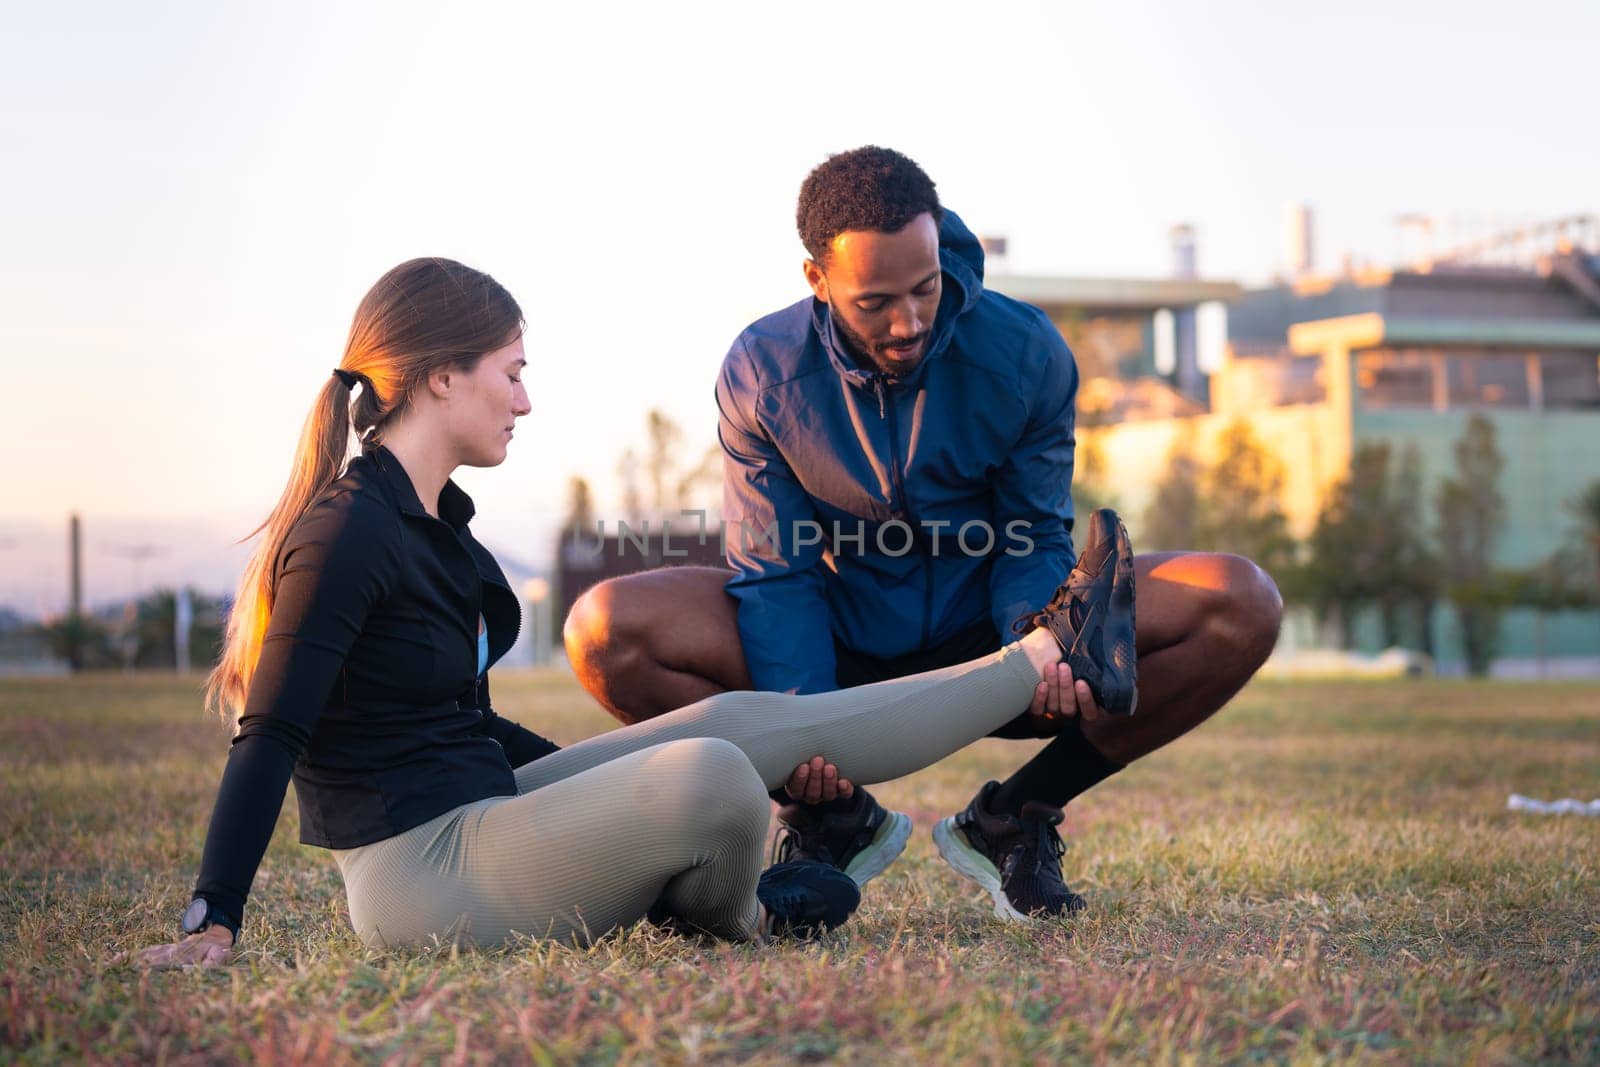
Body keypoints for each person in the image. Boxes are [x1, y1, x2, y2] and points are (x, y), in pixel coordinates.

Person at [131, 256, 1136, 968]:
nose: (524, 400)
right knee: (708, 773)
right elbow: (270, 731)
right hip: (418, 875)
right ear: (442, 375)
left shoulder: (436, 527)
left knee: (733, 723)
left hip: (486, 809)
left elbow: (460, 726)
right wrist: (211, 915)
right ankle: (738, 912)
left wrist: (615, 772)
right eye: (511, 371)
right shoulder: (347, 532)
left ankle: (1052, 648)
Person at [563, 146, 1284, 920]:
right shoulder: (761, 372)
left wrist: (1037, 647)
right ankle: (831, 819)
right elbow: (776, 569)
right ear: (819, 281)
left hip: (990, 634)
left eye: (926, 287)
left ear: (940, 248)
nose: (907, 321)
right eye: (875, 302)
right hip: (840, 640)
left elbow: (1030, 532)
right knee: (604, 629)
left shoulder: (1026, 351)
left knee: (1239, 600)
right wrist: (803, 719)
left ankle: (1015, 819)